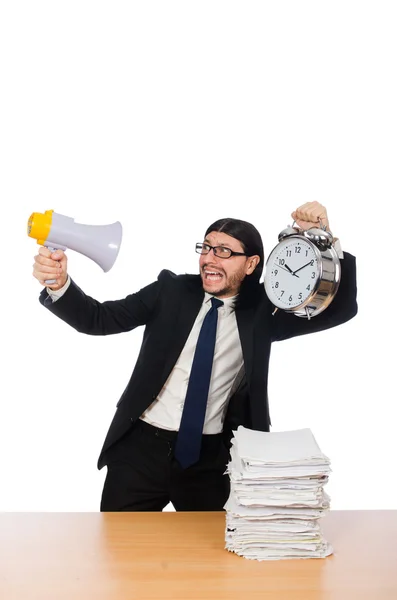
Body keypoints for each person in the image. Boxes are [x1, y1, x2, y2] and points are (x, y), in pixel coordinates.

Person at [32, 201, 357, 512]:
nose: (210, 259)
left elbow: (339, 310)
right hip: (140, 453)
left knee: (213, 559)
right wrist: (58, 283)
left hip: (211, 460)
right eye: (206, 248)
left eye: (225, 251)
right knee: (118, 552)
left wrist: (327, 241)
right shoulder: (170, 291)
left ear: (251, 264)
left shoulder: (263, 310)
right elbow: (97, 319)